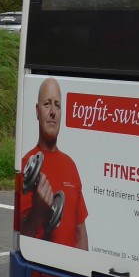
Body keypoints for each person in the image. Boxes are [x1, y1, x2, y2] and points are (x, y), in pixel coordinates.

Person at [19, 77, 88, 249]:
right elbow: (20, 241)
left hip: (71, 272)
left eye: (57, 105)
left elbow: (80, 234)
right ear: (37, 111)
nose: (52, 111)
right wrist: (38, 213)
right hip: (40, 273)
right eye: (46, 104)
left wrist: (84, 273)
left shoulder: (70, 165)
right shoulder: (25, 166)